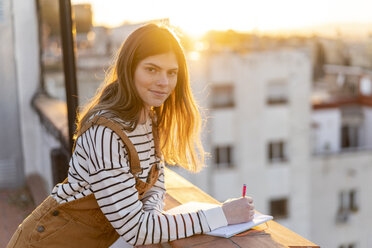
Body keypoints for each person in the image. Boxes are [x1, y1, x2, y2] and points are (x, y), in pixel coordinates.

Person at [7, 23, 254, 248]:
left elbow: (155, 189)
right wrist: (221, 215)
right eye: (152, 69)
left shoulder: (150, 120)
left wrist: (152, 219)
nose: (164, 82)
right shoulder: (105, 133)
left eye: (171, 72)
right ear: (129, 70)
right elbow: (136, 230)